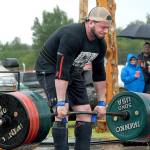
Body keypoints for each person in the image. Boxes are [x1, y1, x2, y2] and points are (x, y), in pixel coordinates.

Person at [35, 6, 112, 150]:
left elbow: (99, 74)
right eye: (103, 27)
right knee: (61, 110)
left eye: (107, 28)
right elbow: (61, 71)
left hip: (73, 70)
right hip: (50, 69)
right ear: (90, 22)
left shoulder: (100, 44)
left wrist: (102, 102)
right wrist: (60, 102)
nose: (106, 31)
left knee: (85, 111)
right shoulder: (72, 36)